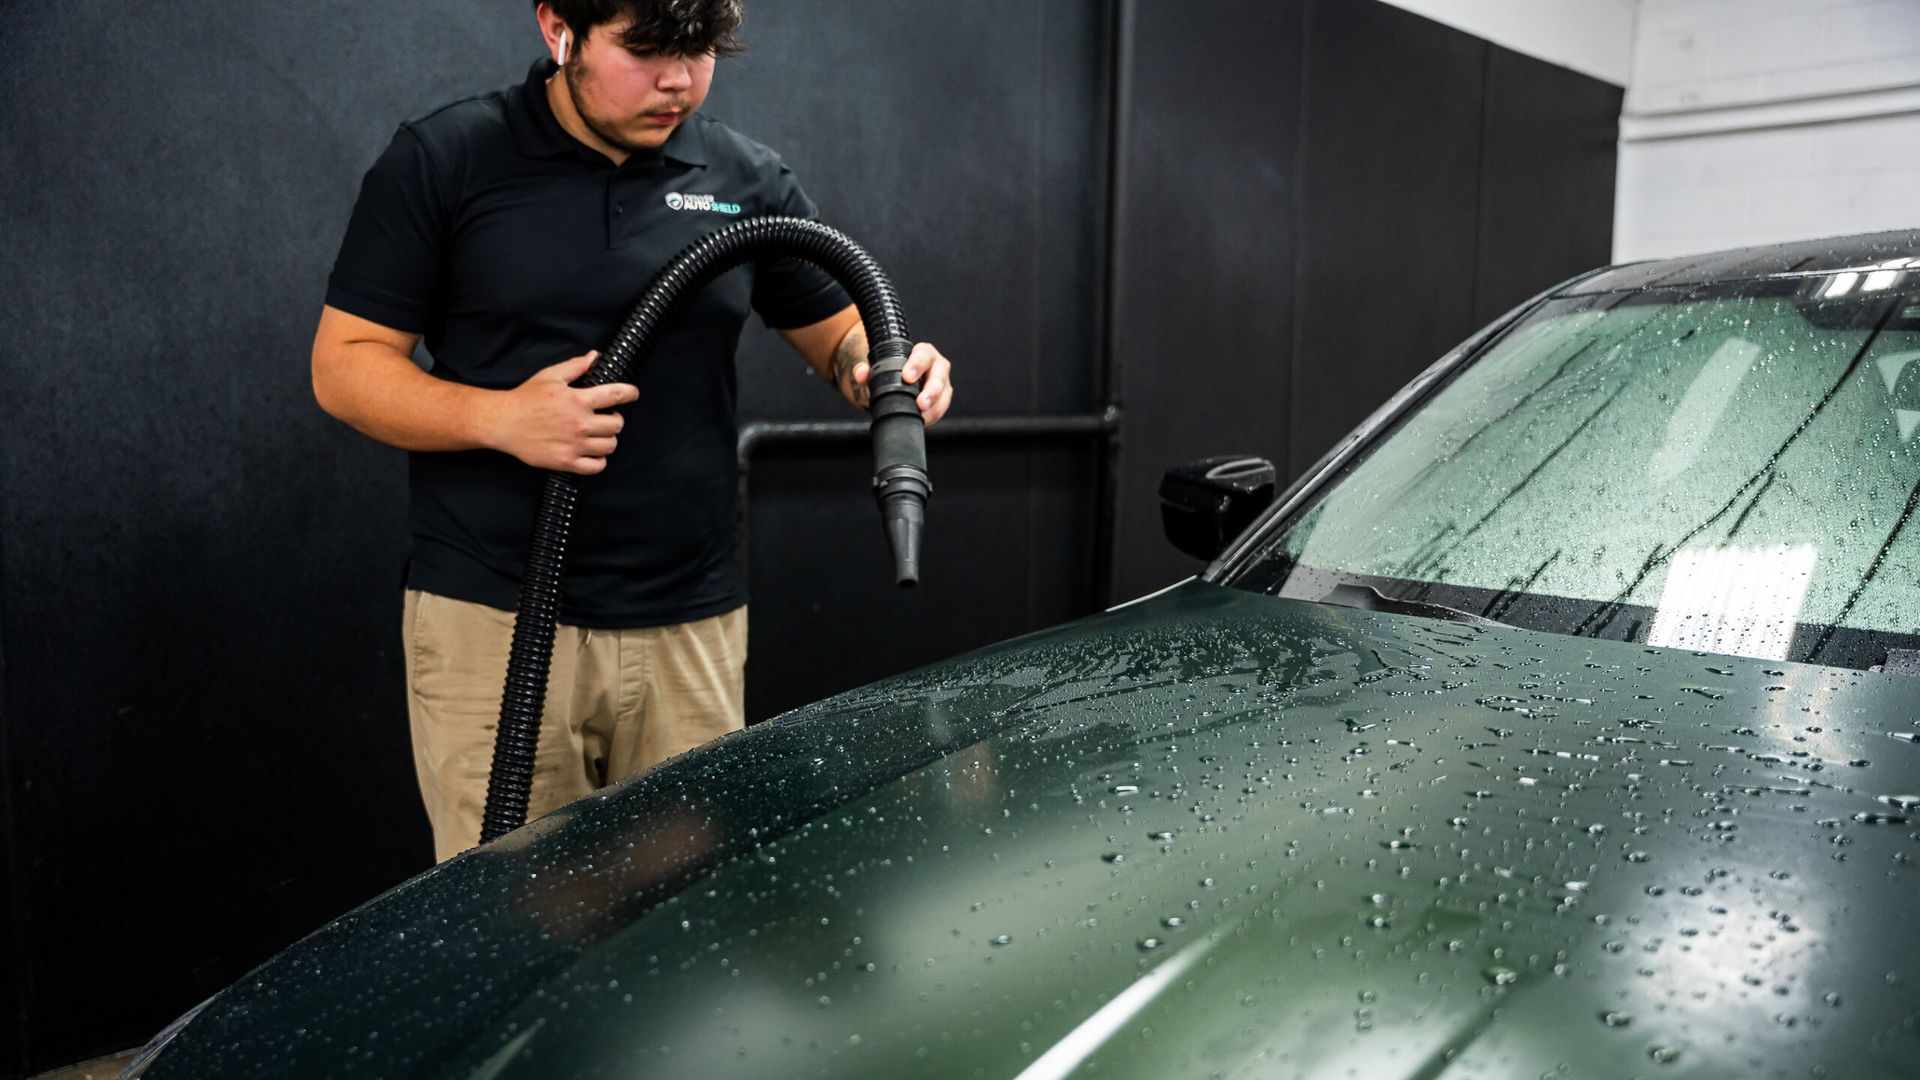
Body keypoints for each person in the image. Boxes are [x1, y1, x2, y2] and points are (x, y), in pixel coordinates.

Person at [311, 0, 954, 862]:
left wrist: (883, 368)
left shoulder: (742, 177)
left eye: (699, 51)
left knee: (686, 937)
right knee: (509, 935)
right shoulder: (450, 159)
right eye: (646, 50)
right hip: (496, 620)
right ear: (557, 27)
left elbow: (841, 334)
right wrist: (499, 417)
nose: (678, 80)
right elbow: (344, 365)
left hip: (688, 627)